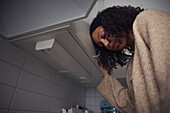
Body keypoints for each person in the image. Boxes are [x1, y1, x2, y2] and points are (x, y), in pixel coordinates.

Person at [89, 5, 170, 113]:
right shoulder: (132, 66)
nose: (106, 43)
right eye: (102, 45)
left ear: (113, 22)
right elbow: (131, 106)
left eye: (103, 36)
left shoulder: (147, 19)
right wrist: (105, 74)